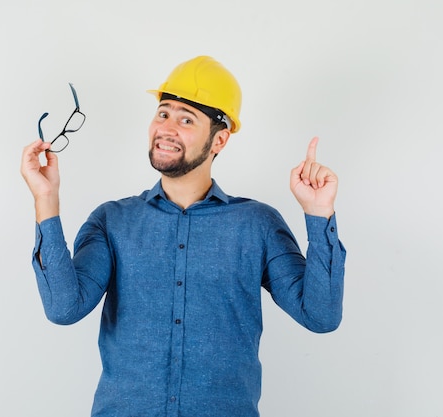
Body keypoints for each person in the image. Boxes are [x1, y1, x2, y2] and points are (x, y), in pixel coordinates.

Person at [20, 55, 345, 417]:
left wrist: (319, 215)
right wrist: (46, 200)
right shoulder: (112, 220)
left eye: (186, 119)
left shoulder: (258, 224)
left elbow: (320, 315)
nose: (167, 127)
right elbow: (64, 308)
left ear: (219, 139)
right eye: (163, 113)